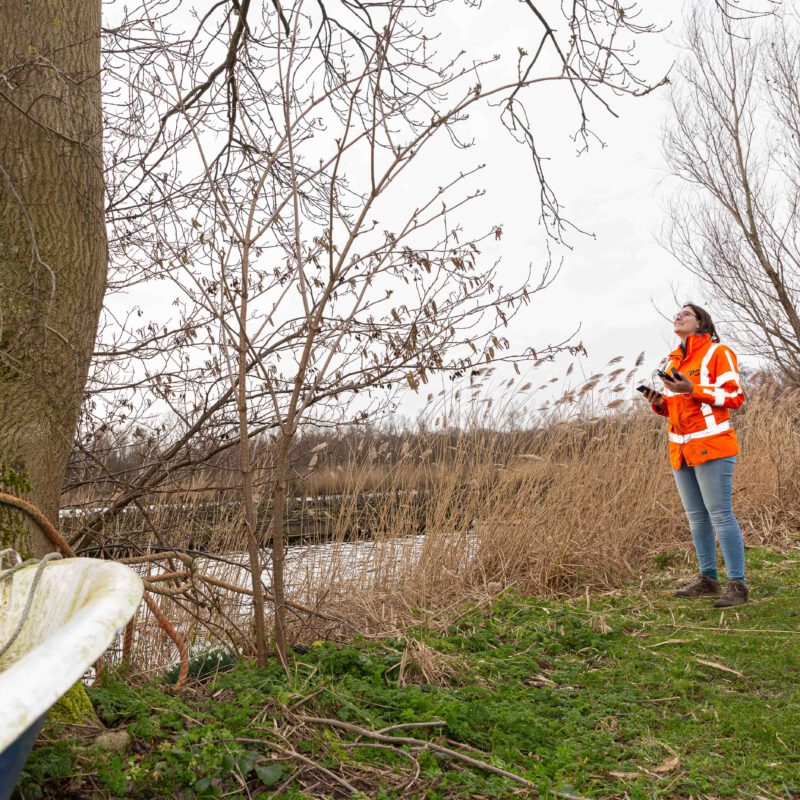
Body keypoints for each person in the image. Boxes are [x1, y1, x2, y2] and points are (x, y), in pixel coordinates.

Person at [641, 304, 748, 607]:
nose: (678, 316)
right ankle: (708, 580)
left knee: (721, 515)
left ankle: (738, 585)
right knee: (696, 519)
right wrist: (659, 403)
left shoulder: (718, 352)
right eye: (676, 313)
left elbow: (734, 396)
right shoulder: (673, 359)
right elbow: (680, 409)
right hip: (681, 448)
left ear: (701, 322)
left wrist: (693, 388)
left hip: (712, 444)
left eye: (686, 314)